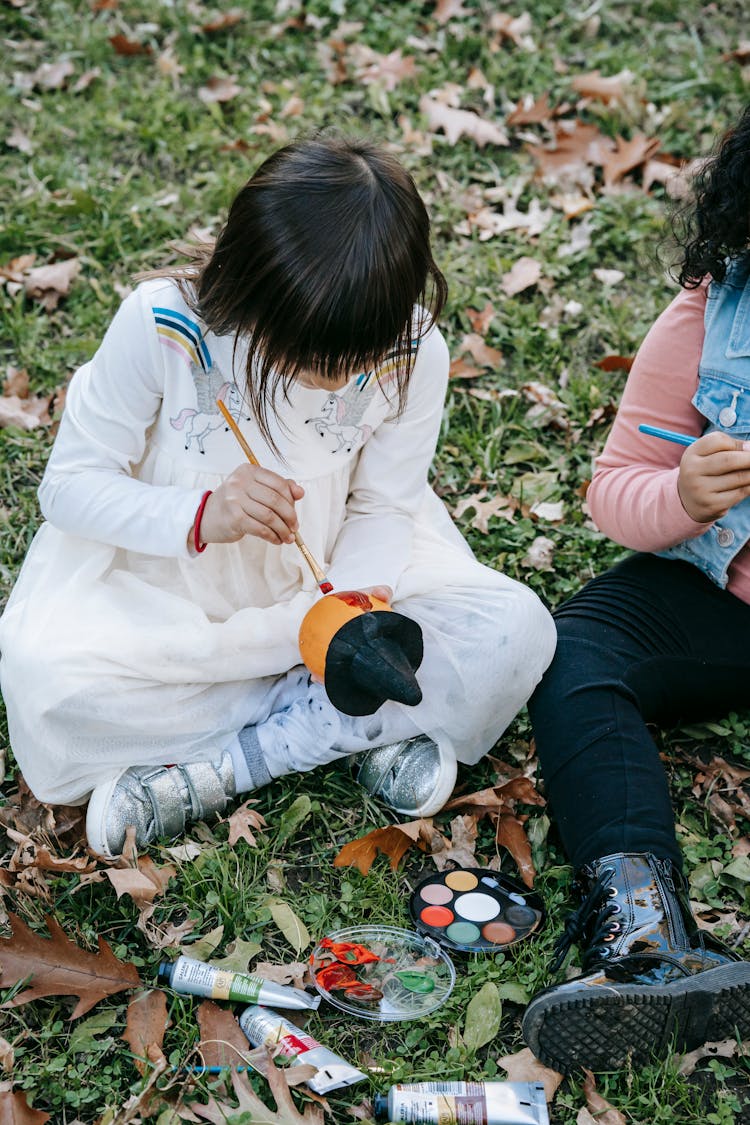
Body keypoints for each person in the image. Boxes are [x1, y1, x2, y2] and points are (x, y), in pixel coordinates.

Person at [0, 135, 556, 859]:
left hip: (336, 574)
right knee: (48, 678)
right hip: (172, 588)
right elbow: (69, 488)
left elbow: (384, 506)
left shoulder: (414, 350)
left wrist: (352, 622)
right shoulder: (163, 326)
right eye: (312, 356)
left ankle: (230, 763)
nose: (339, 378)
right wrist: (204, 514)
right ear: (253, 290)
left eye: (360, 355)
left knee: (517, 629)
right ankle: (347, 729)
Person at [522, 107, 750, 1073]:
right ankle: (646, 938)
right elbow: (615, 487)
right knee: (574, 650)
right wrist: (682, 495)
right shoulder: (711, 316)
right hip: (723, 599)